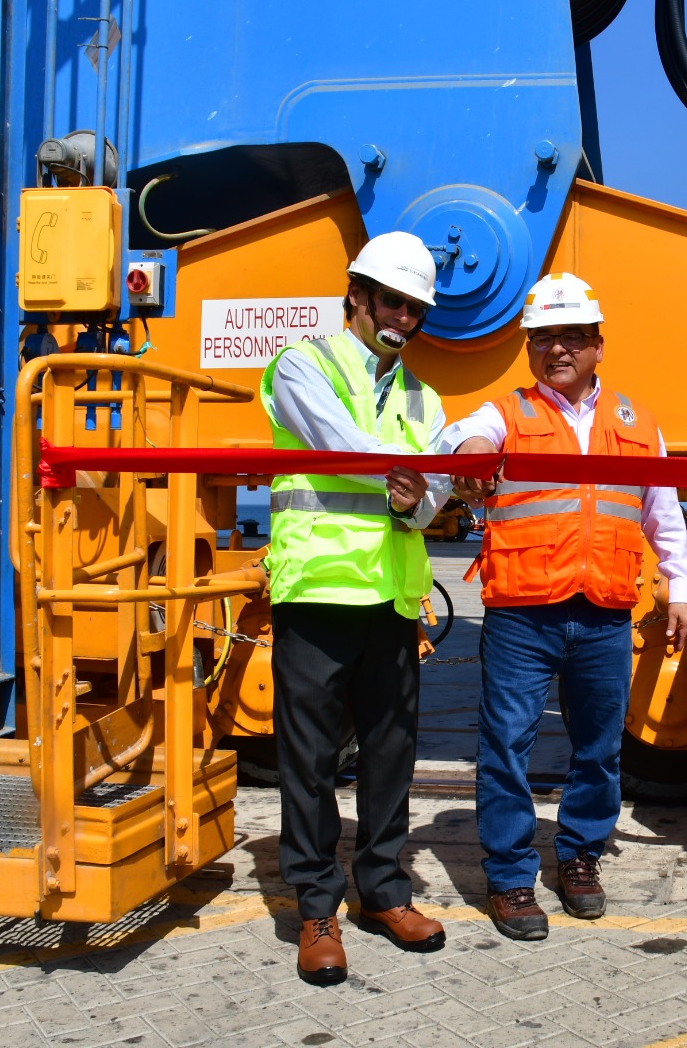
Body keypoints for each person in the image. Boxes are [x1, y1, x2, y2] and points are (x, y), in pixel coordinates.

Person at [444, 272, 687, 941]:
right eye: (544, 338)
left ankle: (580, 857)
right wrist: (468, 448)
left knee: (598, 747)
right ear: (530, 349)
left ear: (597, 346)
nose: (558, 349)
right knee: (505, 745)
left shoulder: (639, 426)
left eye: (572, 338)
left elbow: (663, 516)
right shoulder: (504, 415)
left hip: (605, 612)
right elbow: (457, 441)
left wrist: (682, 589)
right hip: (524, 612)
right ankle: (509, 878)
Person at [260, 231, 452, 985]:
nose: (403, 316)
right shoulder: (302, 364)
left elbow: (432, 492)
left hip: (390, 598)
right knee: (308, 763)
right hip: (317, 593)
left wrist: (417, 500)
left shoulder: (424, 397)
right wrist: (404, 485)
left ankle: (383, 892)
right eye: (392, 300)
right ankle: (316, 908)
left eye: (416, 308)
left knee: (390, 758)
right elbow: (335, 445)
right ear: (358, 296)